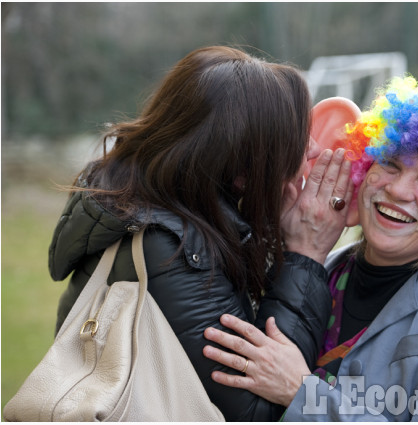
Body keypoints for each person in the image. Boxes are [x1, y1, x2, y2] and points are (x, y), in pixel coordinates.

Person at [202, 76, 418, 420]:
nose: (399, 190)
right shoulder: (319, 272)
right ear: (359, 169)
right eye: (389, 163)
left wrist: (302, 392)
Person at [48, 45, 355, 421]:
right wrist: (305, 254)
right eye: (291, 138)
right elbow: (258, 410)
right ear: (241, 166)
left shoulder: (144, 204)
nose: (310, 148)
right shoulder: (172, 248)